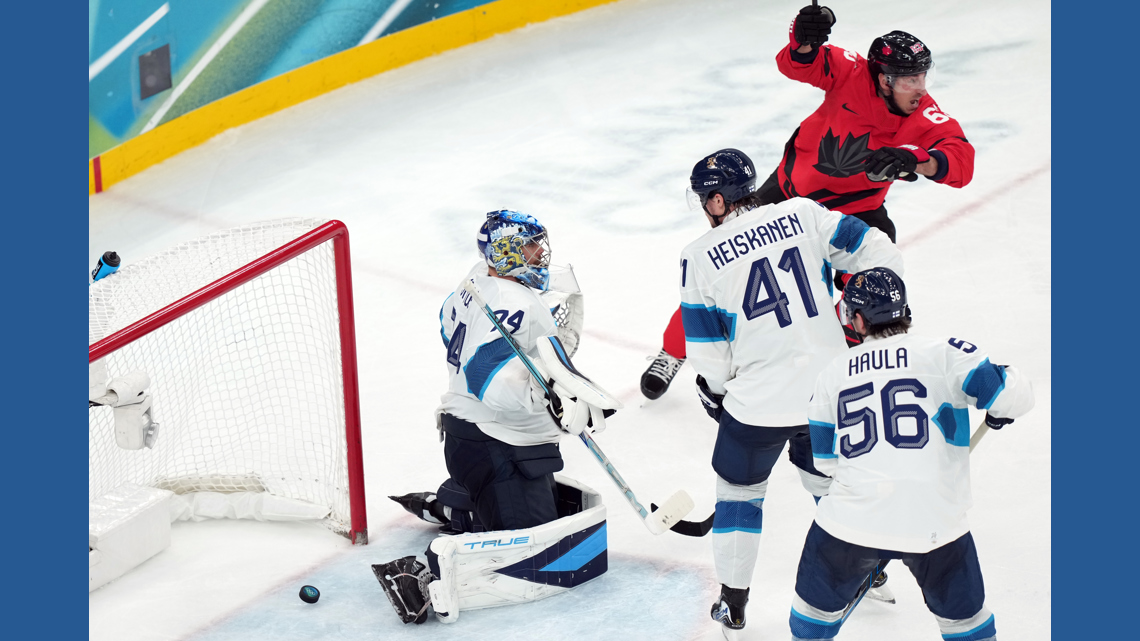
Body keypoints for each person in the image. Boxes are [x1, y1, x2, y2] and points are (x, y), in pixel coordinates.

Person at [639, 4, 975, 399]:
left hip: (856, 212)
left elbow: (960, 164)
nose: (920, 88)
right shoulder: (851, 71)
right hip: (785, 196)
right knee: (725, 267)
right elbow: (799, 65)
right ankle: (673, 350)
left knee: (876, 290)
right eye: (908, 79)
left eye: (922, 76)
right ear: (882, 79)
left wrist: (916, 159)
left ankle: (843, 366)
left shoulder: (923, 113)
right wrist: (803, 40)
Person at [677, 149, 903, 639]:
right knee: (830, 480)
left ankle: (733, 606)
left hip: (757, 402)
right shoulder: (801, 213)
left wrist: (717, 392)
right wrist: (858, 314)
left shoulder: (698, 256)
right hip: (829, 388)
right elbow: (880, 250)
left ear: (717, 200)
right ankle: (871, 569)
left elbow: (707, 349)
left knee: (739, 494)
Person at [375, 210, 613, 625]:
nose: (541, 254)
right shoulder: (511, 302)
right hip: (497, 446)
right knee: (538, 553)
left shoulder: (477, 281)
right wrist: (551, 400)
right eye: (530, 246)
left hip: (473, 438)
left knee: (554, 522)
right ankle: (429, 572)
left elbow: (453, 331)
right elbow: (489, 377)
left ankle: (453, 506)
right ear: (504, 253)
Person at [788, 267, 1034, 641]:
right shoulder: (946, 353)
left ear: (857, 318)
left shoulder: (832, 374)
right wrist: (1000, 405)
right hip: (935, 520)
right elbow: (1013, 397)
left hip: (852, 521)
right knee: (967, 626)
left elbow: (826, 463)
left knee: (809, 621)